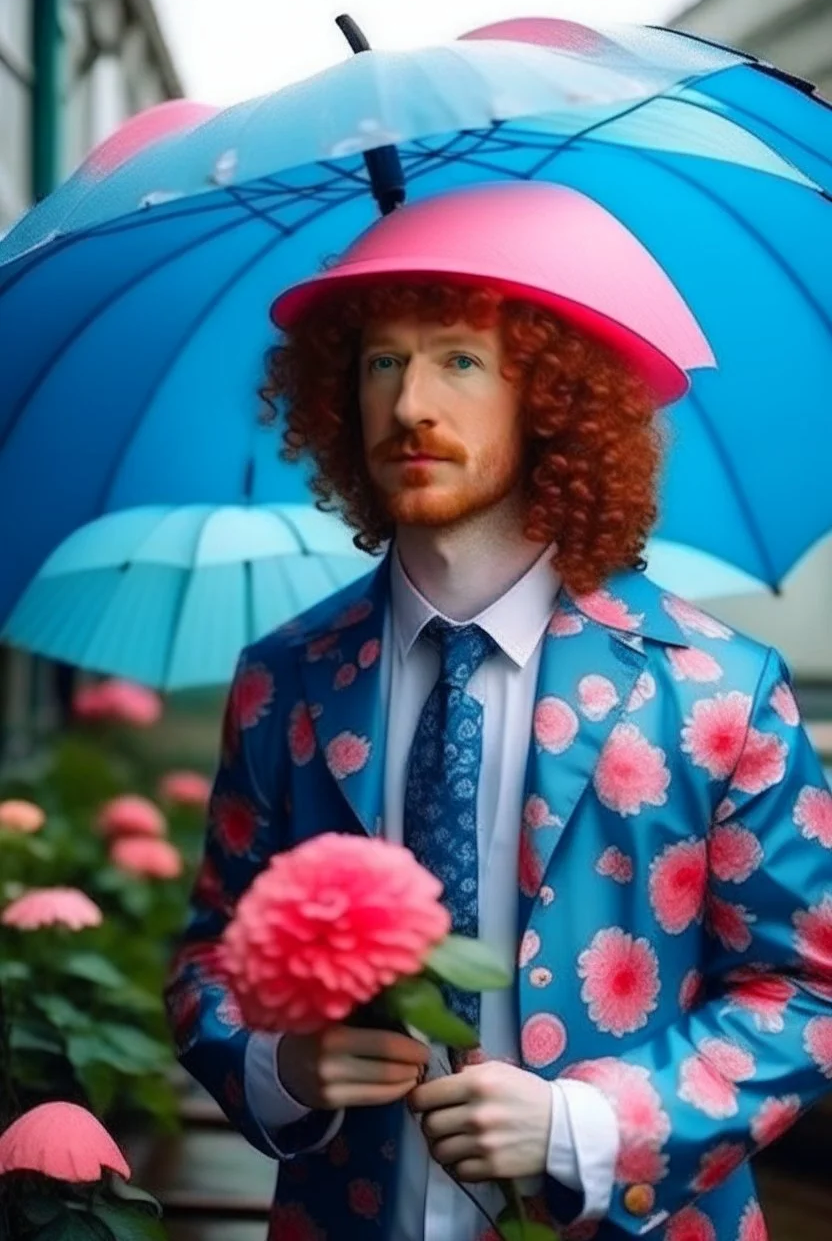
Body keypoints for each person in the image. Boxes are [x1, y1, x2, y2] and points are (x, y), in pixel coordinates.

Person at [164, 181, 832, 1241]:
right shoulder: (284, 679)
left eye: (459, 360)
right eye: (381, 361)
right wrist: (280, 1062)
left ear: (552, 400)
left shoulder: (716, 687)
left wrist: (584, 1126)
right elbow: (210, 958)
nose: (408, 403)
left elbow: (805, 991)